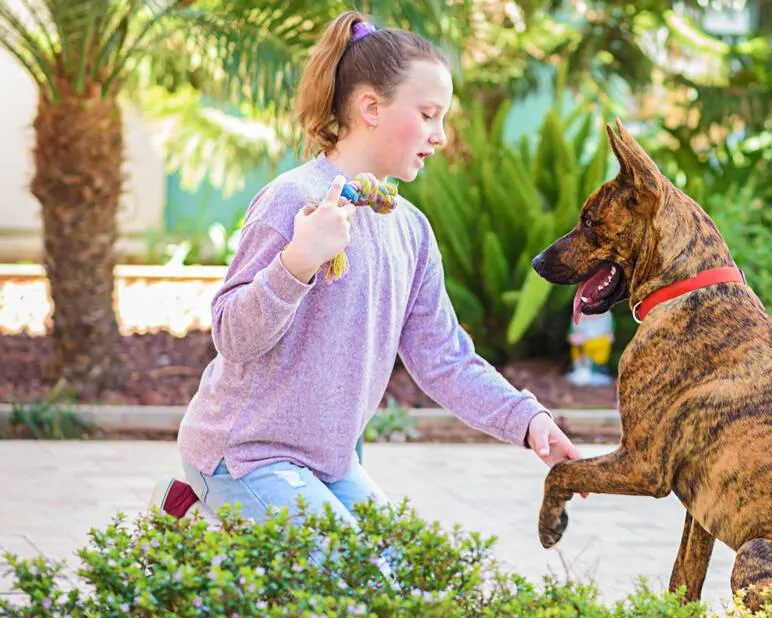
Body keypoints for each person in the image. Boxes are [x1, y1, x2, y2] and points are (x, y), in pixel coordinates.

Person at [149, 11, 583, 535]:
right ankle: (205, 508)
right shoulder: (293, 199)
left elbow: (444, 359)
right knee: (356, 590)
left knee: (414, 582)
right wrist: (297, 263)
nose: (441, 136)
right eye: (427, 115)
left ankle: (217, 541)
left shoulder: (411, 230)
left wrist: (528, 420)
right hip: (245, 454)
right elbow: (232, 336)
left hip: (330, 466)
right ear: (371, 107)